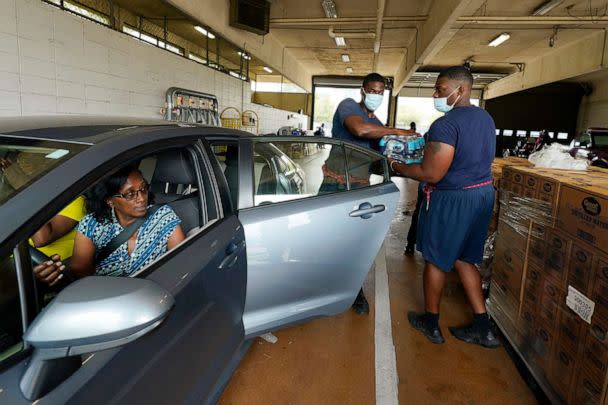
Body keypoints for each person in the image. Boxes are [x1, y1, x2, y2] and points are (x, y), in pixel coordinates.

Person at [389, 65, 499, 348]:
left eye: (440, 89)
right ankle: (482, 327)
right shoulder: (485, 118)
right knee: (464, 258)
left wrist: (397, 166)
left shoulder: (445, 125)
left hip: (454, 198)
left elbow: (431, 174)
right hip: (483, 194)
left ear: (460, 90)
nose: (435, 95)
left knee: (437, 259)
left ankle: (431, 321)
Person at [331, 72, 418, 315]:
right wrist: (400, 132)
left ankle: (353, 291)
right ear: (363, 90)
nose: (376, 95)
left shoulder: (378, 124)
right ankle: (319, 283)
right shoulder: (348, 106)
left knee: (355, 241)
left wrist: (410, 164)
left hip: (359, 187)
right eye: (373, 90)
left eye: (381, 92)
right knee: (328, 236)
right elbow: (359, 130)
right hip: (335, 185)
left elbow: (381, 160)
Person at [34, 166, 186, 283]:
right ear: (110, 200)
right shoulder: (92, 225)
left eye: (143, 189)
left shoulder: (164, 217)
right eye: (130, 194)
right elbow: (80, 273)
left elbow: (180, 266)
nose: (141, 199)